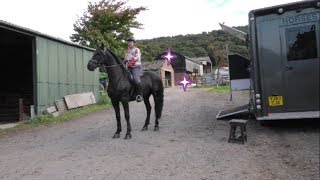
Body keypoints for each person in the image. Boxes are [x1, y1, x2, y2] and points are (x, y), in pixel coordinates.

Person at [124, 37, 143, 102]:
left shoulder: (136, 49)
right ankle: (128, 95)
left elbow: (137, 57)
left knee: (135, 80)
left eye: (131, 42)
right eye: (128, 42)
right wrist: (125, 61)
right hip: (129, 67)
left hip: (136, 67)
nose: (129, 43)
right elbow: (125, 58)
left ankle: (140, 95)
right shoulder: (127, 51)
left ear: (133, 43)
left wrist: (131, 59)